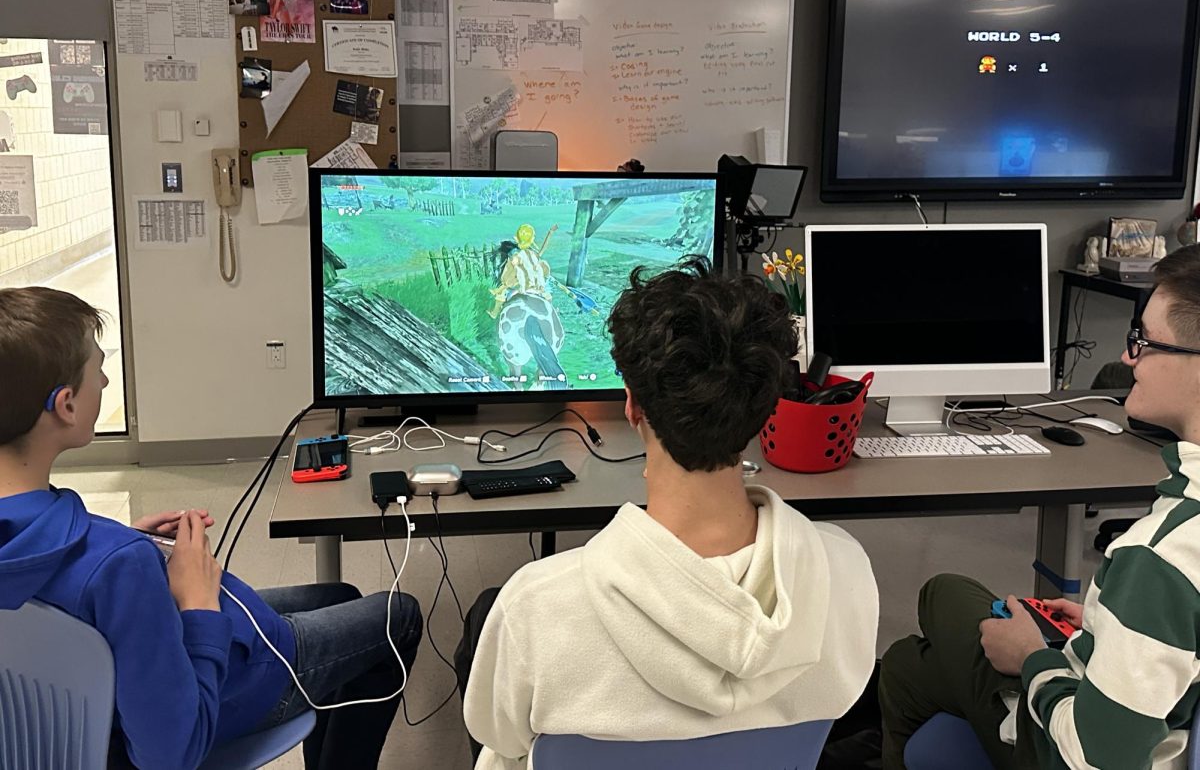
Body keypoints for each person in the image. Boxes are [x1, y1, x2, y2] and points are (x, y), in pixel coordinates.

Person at [457, 256, 880, 770]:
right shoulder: (846, 570)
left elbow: (495, 732)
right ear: (767, 409)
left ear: (632, 406)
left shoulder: (536, 605)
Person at [0, 287, 422, 770]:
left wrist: (123, 542)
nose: (106, 378)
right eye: (98, 369)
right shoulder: (117, 565)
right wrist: (196, 600)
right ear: (67, 405)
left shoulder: (90, 551)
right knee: (399, 616)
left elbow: (66, 600)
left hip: (140, 669)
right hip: (234, 683)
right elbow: (169, 756)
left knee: (341, 594)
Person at [879, 243, 1200, 770]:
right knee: (915, 661)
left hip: (1063, 747)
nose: (1126, 358)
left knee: (936, 606)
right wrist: (1103, 627)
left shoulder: (1160, 558)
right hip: (1157, 709)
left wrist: (1035, 658)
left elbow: (1101, 760)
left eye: (1142, 341)